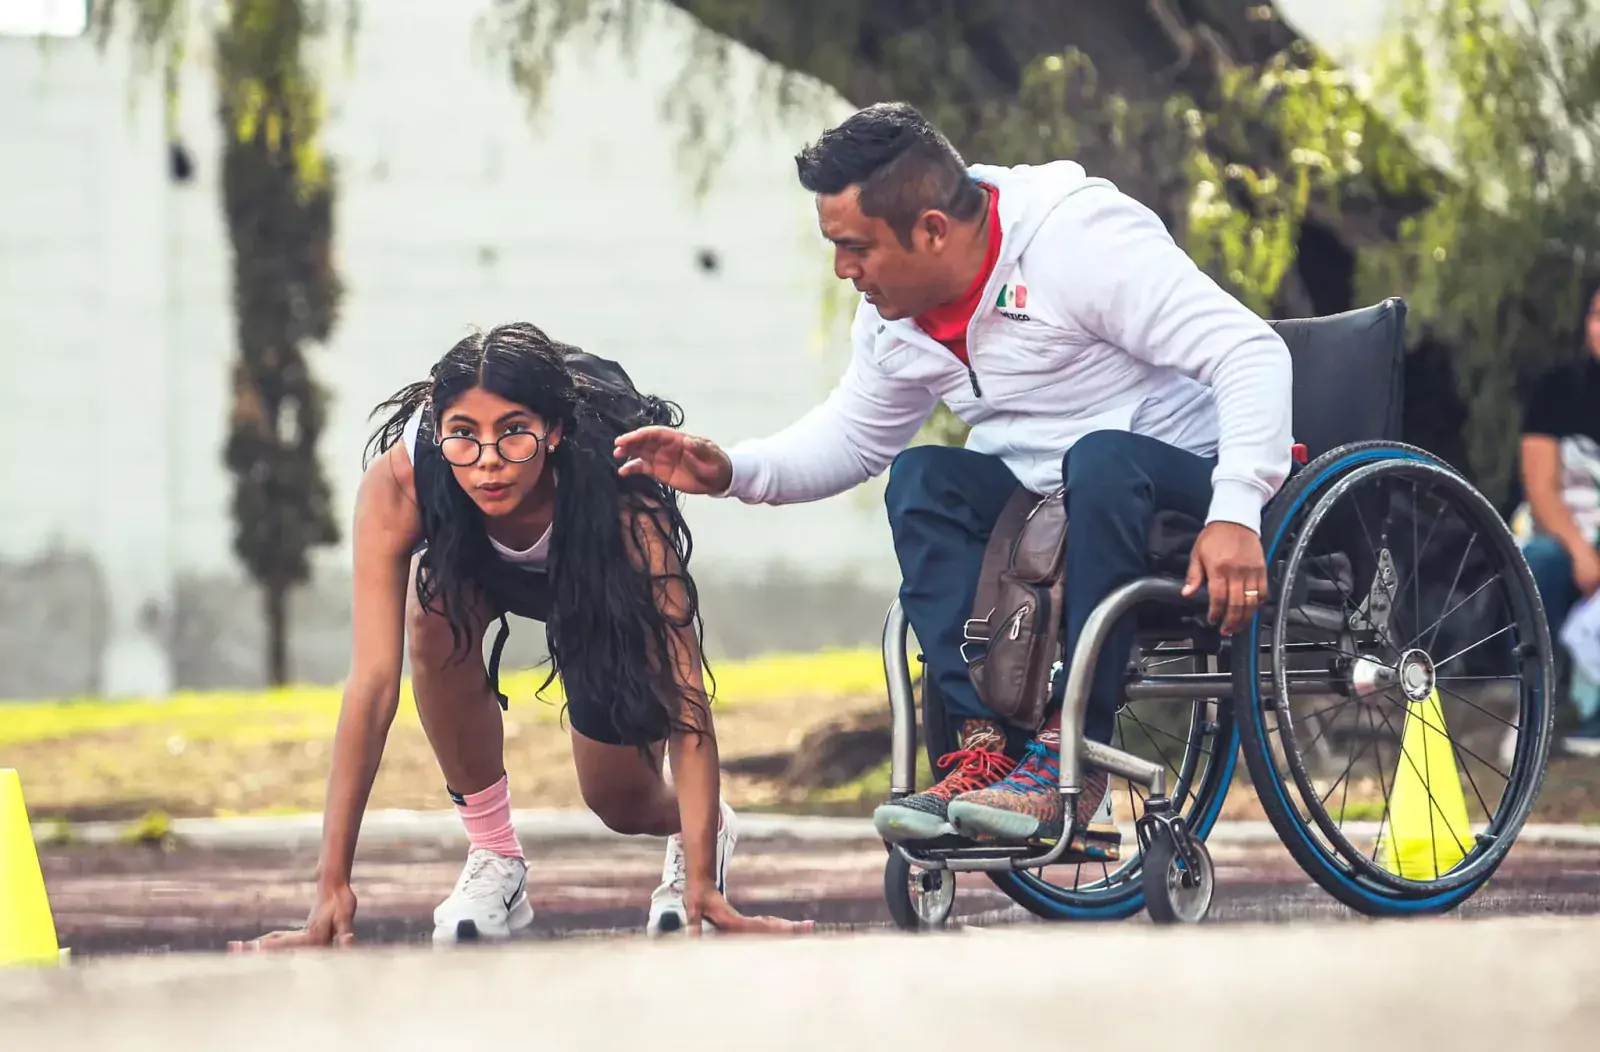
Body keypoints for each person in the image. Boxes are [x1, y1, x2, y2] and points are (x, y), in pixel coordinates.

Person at [614, 102, 1293, 849]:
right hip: (1058, 508)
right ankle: (985, 747)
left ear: (933, 229)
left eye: (855, 247)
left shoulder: (1078, 243)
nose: (843, 270)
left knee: (1101, 458)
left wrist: (1236, 509)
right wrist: (734, 469)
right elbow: (854, 436)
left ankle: (1071, 761)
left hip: (1185, 489)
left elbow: (1251, 354)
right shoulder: (895, 317)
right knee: (921, 479)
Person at [230, 323, 813, 949]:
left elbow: (685, 695)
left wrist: (704, 886)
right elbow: (372, 687)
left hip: (594, 583)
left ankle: (704, 832)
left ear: (554, 432)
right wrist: (330, 889)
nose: (487, 462)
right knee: (432, 602)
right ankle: (494, 856)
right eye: (463, 436)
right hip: (479, 577)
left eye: (513, 434)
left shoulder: (621, 492)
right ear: (438, 427)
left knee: (620, 804)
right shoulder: (401, 483)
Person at [1512, 280, 1600, 755]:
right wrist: (1583, 553)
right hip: (1564, 533)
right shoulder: (1557, 390)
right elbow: (1541, 488)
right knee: (1541, 562)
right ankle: (1533, 710)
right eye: (1597, 314)